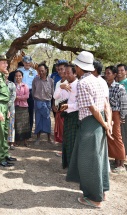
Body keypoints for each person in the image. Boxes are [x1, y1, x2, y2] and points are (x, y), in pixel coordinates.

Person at [66, 51, 111, 208]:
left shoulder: (83, 83)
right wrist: (107, 124)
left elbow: (92, 108)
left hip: (90, 123)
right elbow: (105, 104)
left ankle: (94, 198)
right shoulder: (99, 80)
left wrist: (105, 124)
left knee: (89, 161)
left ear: (78, 67)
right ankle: (102, 191)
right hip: (100, 122)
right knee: (100, 158)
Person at [105, 66, 127, 172]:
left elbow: (123, 103)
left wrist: (122, 116)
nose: (106, 75)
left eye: (109, 73)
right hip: (107, 113)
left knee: (117, 137)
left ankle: (122, 163)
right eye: (106, 73)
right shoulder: (104, 86)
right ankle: (115, 161)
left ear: (114, 75)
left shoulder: (120, 87)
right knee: (110, 137)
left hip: (116, 114)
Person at [58, 64, 79, 169]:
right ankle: (68, 164)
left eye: (68, 73)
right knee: (67, 140)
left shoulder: (79, 85)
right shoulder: (65, 84)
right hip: (67, 115)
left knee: (73, 142)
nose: (66, 75)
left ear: (75, 73)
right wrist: (61, 87)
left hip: (75, 116)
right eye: (65, 73)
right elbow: (56, 96)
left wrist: (68, 106)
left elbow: (80, 104)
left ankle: (73, 166)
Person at [32, 63, 54, 144]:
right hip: (38, 102)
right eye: (39, 71)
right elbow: (33, 92)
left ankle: (49, 138)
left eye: (42, 71)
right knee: (38, 120)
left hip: (47, 103)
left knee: (47, 120)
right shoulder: (35, 80)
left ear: (46, 70)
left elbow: (52, 93)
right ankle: (38, 138)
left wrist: (53, 104)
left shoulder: (51, 81)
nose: (41, 72)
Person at [17, 55, 38, 130]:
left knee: (30, 111)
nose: (27, 64)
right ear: (23, 62)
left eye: (29, 63)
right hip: (20, 92)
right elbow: (15, 82)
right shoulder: (19, 71)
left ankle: (30, 128)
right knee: (21, 110)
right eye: (26, 62)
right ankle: (20, 129)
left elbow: (36, 83)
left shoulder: (34, 72)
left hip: (31, 92)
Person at [53, 61, 68, 144]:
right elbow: (55, 96)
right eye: (58, 69)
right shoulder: (58, 82)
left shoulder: (69, 82)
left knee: (65, 128)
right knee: (60, 129)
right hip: (58, 108)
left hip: (66, 108)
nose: (60, 71)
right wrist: (53, 104)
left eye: (61, 69)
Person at [14, 70, 31, 146]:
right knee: (17, 124)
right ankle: (17, 140)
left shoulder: (25, 86)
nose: (18, 77)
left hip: (24, 107)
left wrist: (17, 97)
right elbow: (11, 96)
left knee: (25, 124)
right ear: (15, 77)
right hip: (15, 107)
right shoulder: (12, 85)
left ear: (22, 77)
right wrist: (18, 97)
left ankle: (25, 140)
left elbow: (26, 96)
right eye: (17, 76)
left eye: (20, 76)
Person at [4, 71, 16, 150]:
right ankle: (4, 143)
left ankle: (11, 143)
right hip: (1, 108)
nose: (5, 75)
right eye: (4, 73)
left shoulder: (12, 84)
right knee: (3, 125)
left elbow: (13, 95)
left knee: (11, 125)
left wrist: (8, 104)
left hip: (11, 107)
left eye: (6, 73)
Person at [117, 64, 127, 156]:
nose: (120, 72)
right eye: (118, 70)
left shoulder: (125, 83)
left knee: (123, 135)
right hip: (118, 112)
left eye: (122, 70)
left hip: (124, 112)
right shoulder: (117, 83)